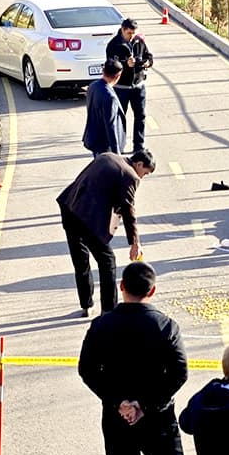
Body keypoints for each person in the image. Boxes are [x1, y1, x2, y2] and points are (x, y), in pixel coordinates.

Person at [78, 261, 194, 455]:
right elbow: (179, 373)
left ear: (121, 287)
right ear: (152, 290)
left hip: (116, 420)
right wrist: (145, 405)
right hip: (158, 419)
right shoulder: (166, 325)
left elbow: (87, 369)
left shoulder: (102, 325)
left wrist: (120, 403)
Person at [57, 150, 157, 316]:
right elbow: (128, 209)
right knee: (107, 261)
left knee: (80, 259)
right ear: (139, 164)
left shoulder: (108, 156)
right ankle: (109, 310)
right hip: (86, 218)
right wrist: (135, 243)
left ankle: (86, 305)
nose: (142, 177)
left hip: (70, 207)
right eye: (145, 173)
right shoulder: (130, 175)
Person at [106, 18, 153, 152]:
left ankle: (139, 146)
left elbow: (148, 56)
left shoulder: (139, 41)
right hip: (121, 88)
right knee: (120, 118)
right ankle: (118, 146)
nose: (131, 36)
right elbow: (111, 65)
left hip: (138, 86)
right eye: (129, 33)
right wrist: (125, 64)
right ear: (122, 29)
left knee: (141, 116)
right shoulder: (113, 45)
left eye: (133, 33)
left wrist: (146, 63)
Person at [83, 59, 127, 156]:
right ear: (118, 76)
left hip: (95, 140)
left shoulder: (93, 86)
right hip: (106, 146)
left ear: (103, 71)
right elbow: (111, 126)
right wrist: (116, 154)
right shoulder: (110, 97)